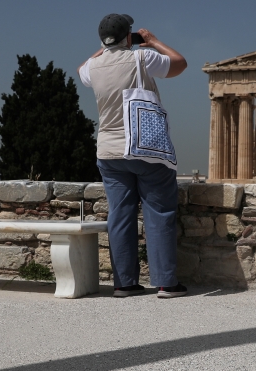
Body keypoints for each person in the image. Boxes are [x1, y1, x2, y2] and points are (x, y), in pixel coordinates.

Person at [78, 14, 188, 298]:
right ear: (129, 37)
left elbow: (81, 68)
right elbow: (179, 63)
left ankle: (124, 283)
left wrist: (105, 47)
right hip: (145, 147)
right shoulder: (142, 58)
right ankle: (165, 283)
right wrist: (153, 41)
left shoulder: (93, 67)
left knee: (120, 215)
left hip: (109, 151)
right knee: (159, 212)